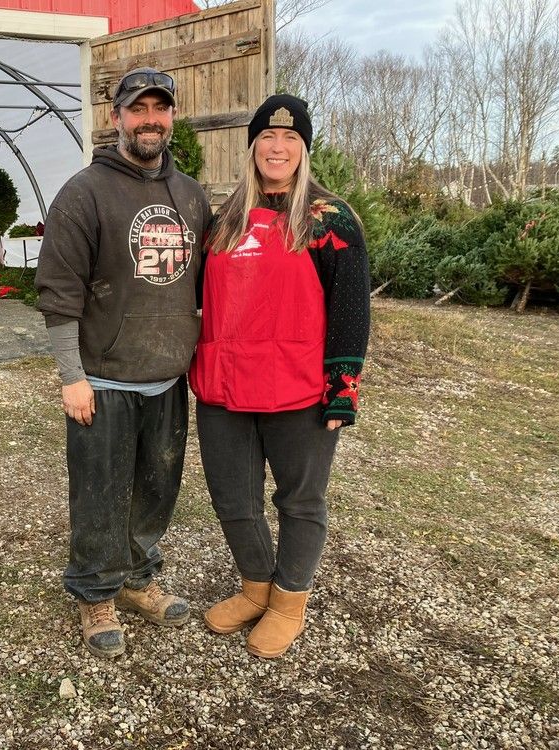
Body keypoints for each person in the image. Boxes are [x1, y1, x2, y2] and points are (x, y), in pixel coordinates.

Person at [35, 67, 211, 659]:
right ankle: (94, 593)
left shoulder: (189, 196)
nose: (150, 120)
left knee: (157, 488)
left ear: (172, 118)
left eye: (161, 109)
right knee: (101, 491)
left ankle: (138, 580)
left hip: (166, 379)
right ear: (117, 118)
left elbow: (207, 284)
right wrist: (71, 377)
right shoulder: (84, 193)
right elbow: (60, 292)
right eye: (139, 110)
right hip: (103, 379)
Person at [190, 94, 370, 659]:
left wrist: (343, 389)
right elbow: (200, 297)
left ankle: (289, 601)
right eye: (268, 136)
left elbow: (350, 309)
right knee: (233, 497)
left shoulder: (329, 219)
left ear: (304, 149)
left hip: (298, 390)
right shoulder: (222, 220)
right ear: (253, 146)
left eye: (291, 138)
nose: (278, 146)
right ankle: (255, 586)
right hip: (224, 385)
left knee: (300, 500)